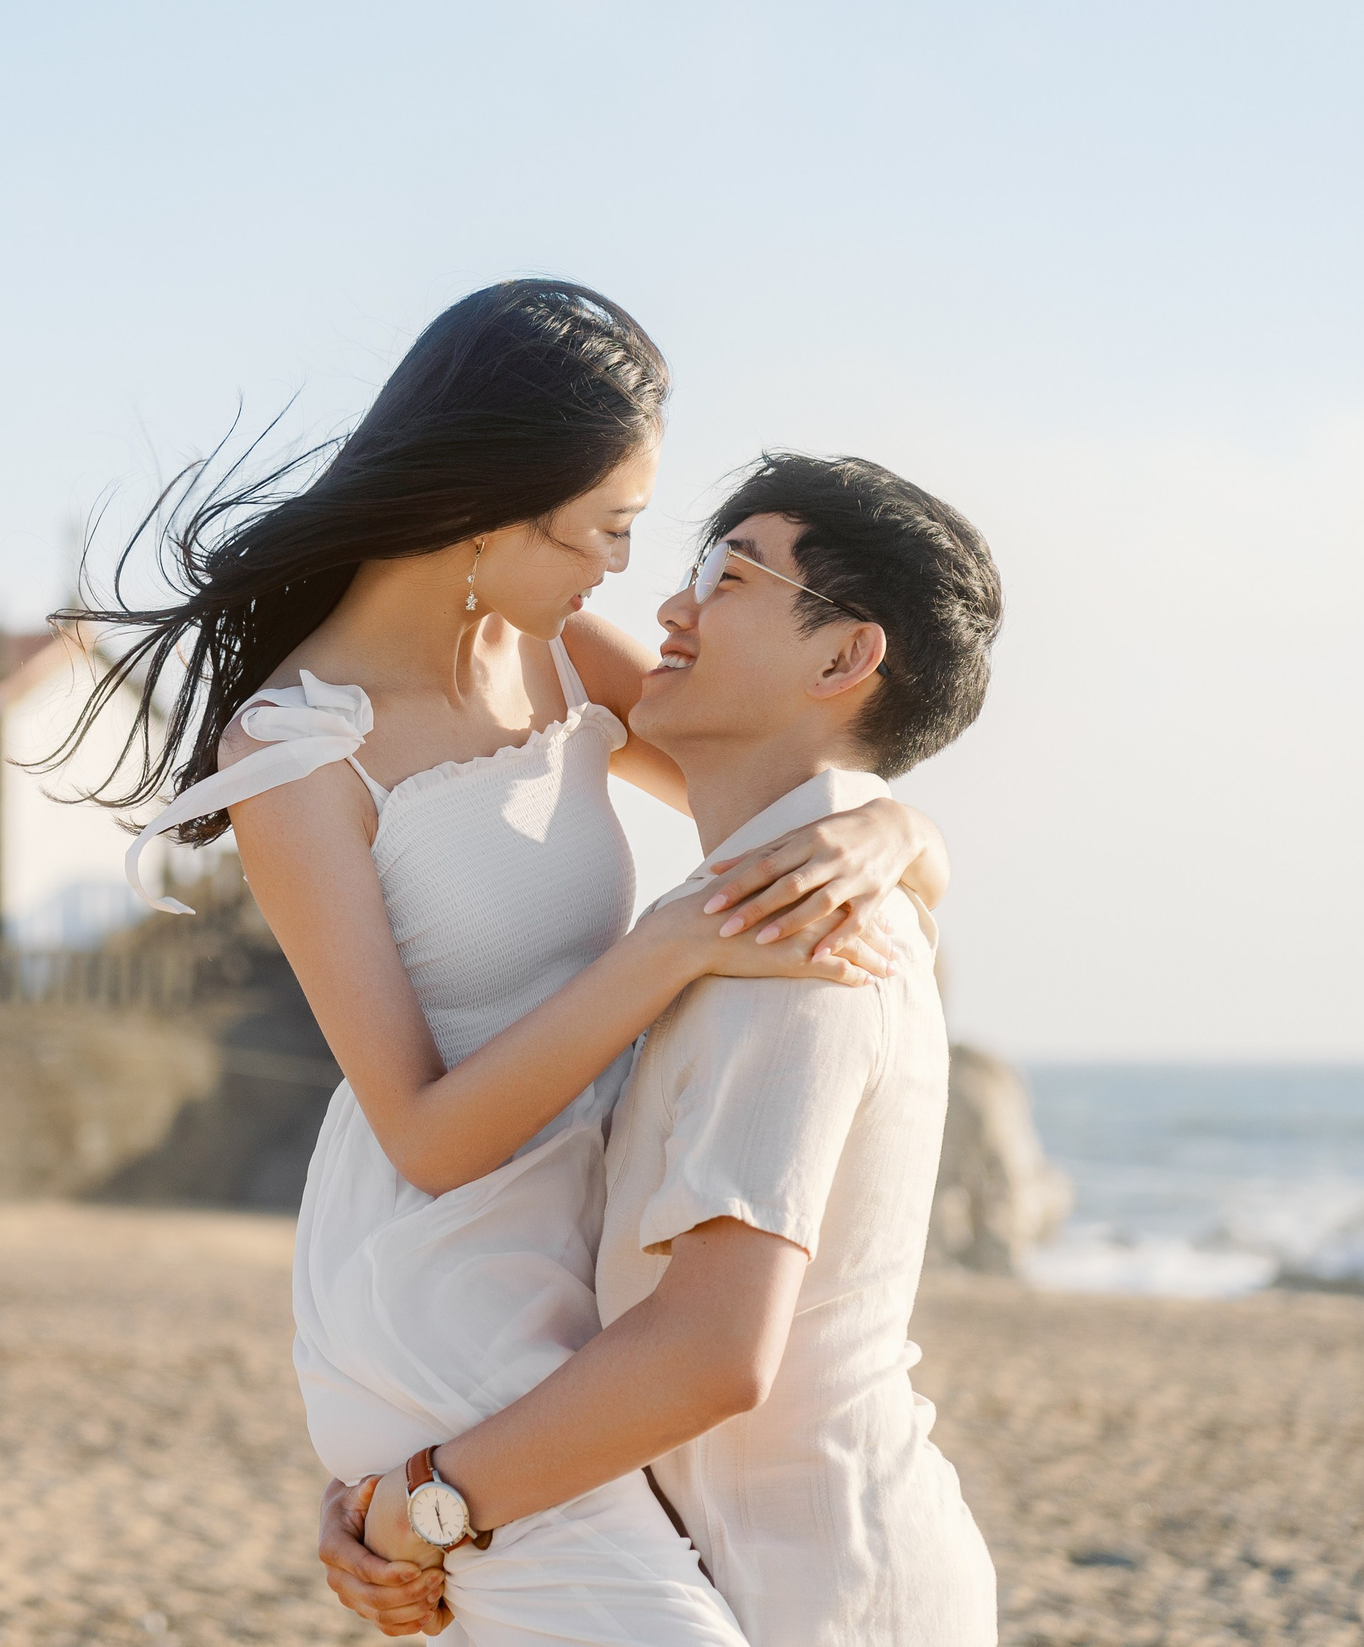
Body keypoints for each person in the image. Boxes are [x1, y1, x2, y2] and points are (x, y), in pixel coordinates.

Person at [49, 280, 952, 1645]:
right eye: (606, 528)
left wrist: (886, 823)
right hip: (441, 1276)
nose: (627, 578)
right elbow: (421, 1129)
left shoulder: (553, 656)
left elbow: (770, 787)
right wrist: (662, 949)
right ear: (490, 501)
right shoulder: (295, 749)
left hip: (575, 1270)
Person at [329, 454, 1003, 1644]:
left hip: (826, 1592)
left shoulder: (798, 941)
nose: (673, 607)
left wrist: (429, 1507)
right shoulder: (735, 917)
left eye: (728, 575)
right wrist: (415, 1492)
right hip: (754, 1564)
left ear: (845, 660)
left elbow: (706, 1352)